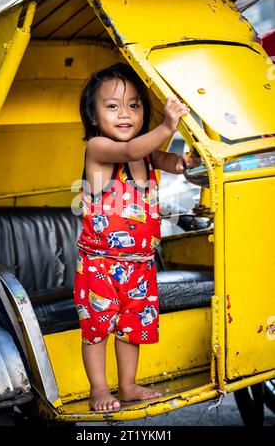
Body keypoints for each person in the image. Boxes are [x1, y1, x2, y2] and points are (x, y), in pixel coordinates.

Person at [74, 63, 200, 412]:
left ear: (144, 111)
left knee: (132, 329)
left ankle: (127, 385)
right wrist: (167, 125)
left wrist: (183, 161)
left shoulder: (146, 152)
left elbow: (169, 160)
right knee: (97, 329)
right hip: (100, 266)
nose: (125, 113)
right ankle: (99, 388)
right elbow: (129, 151)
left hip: (140, 266)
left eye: (134, 105)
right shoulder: (99, 149)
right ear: (94, 116)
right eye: (112, 106)